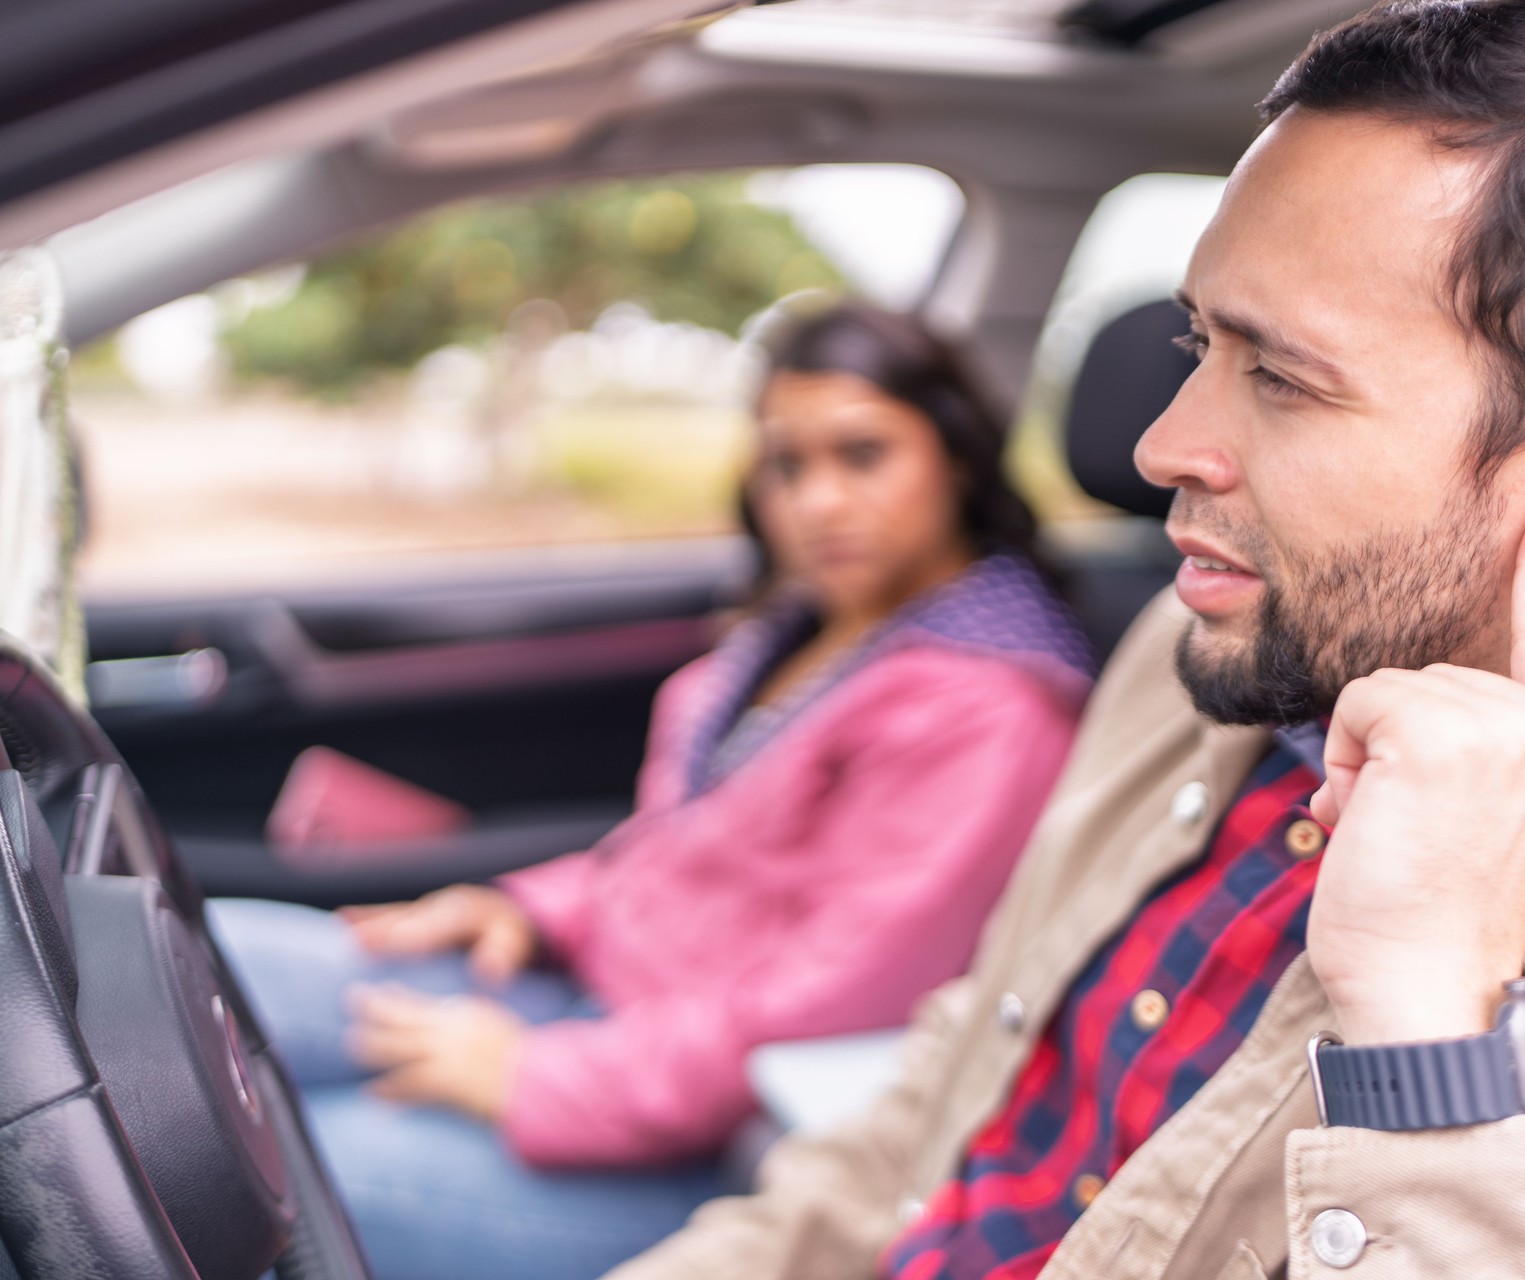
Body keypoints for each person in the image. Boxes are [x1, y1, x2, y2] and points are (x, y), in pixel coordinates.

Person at [608, 5, 1525, 1279]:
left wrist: (1433, 1037)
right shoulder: (1228, 649)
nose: (1161, 445)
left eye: (1281, 375)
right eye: (1199, 342)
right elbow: (947, 1104)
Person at [210, 302, 1096, 1280]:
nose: (819, 502)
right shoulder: (807, 629)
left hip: (721, 1143)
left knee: (259, 1164)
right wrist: (524, 909)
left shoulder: (994, 709)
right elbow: (683, 850)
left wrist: (535, 1076)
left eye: (863, 454)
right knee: (210, 959)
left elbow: (826, 1005)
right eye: (787, 465)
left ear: (959, 460)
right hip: (602, 1004)